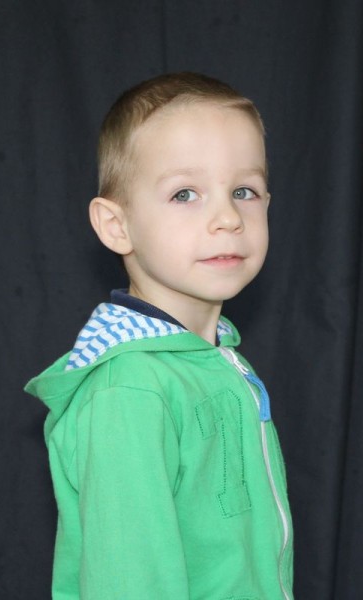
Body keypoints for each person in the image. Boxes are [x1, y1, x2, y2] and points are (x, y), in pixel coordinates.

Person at [25, 72, 294, 600]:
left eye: (244, 191)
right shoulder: (129, 391)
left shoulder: (214, 359)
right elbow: (130, 583)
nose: (227, 217)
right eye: (185, 193)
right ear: (116, 226)